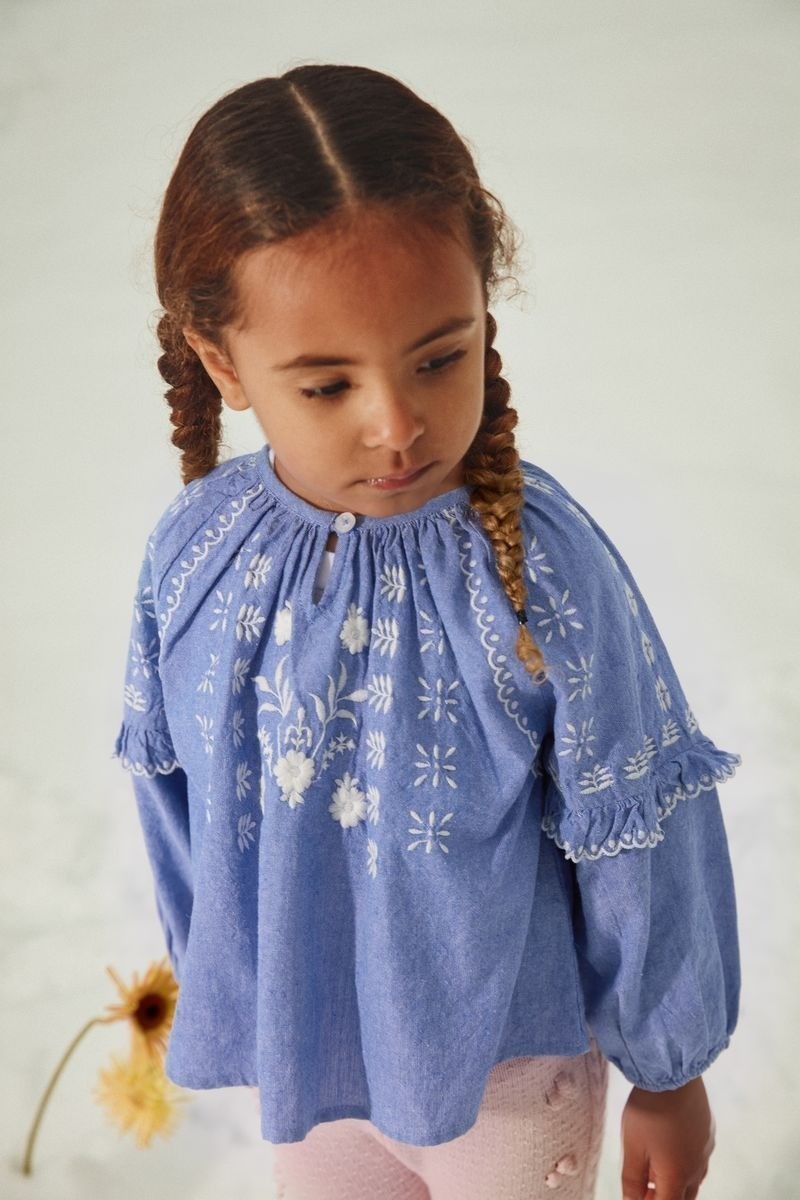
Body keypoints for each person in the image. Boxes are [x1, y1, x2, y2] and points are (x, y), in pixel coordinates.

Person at [111, 64, 742, 1200]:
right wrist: (233, 995)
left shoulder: (541, 568)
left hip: (509, 1081)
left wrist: (669, 1069)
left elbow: (638, 822)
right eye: (326, 385)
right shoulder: (198, 554)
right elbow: (175, 795)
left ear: (483, 315)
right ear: (222, 363)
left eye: (438, 358)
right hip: (311, 1074)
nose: (397, 424)